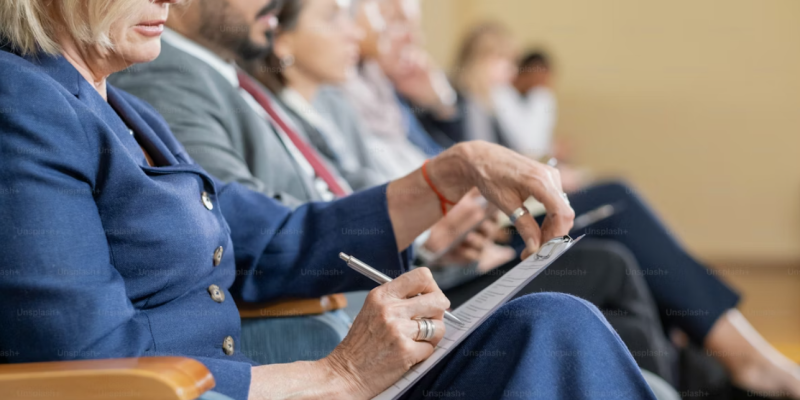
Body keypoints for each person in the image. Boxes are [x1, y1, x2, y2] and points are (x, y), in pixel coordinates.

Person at [0, 1, 659, 400]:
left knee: (551, 329)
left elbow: (274, 242)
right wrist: (335, 376)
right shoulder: (22, 99)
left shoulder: (127, 108)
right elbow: (91, 366)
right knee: (553, 334)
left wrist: (453, 172)